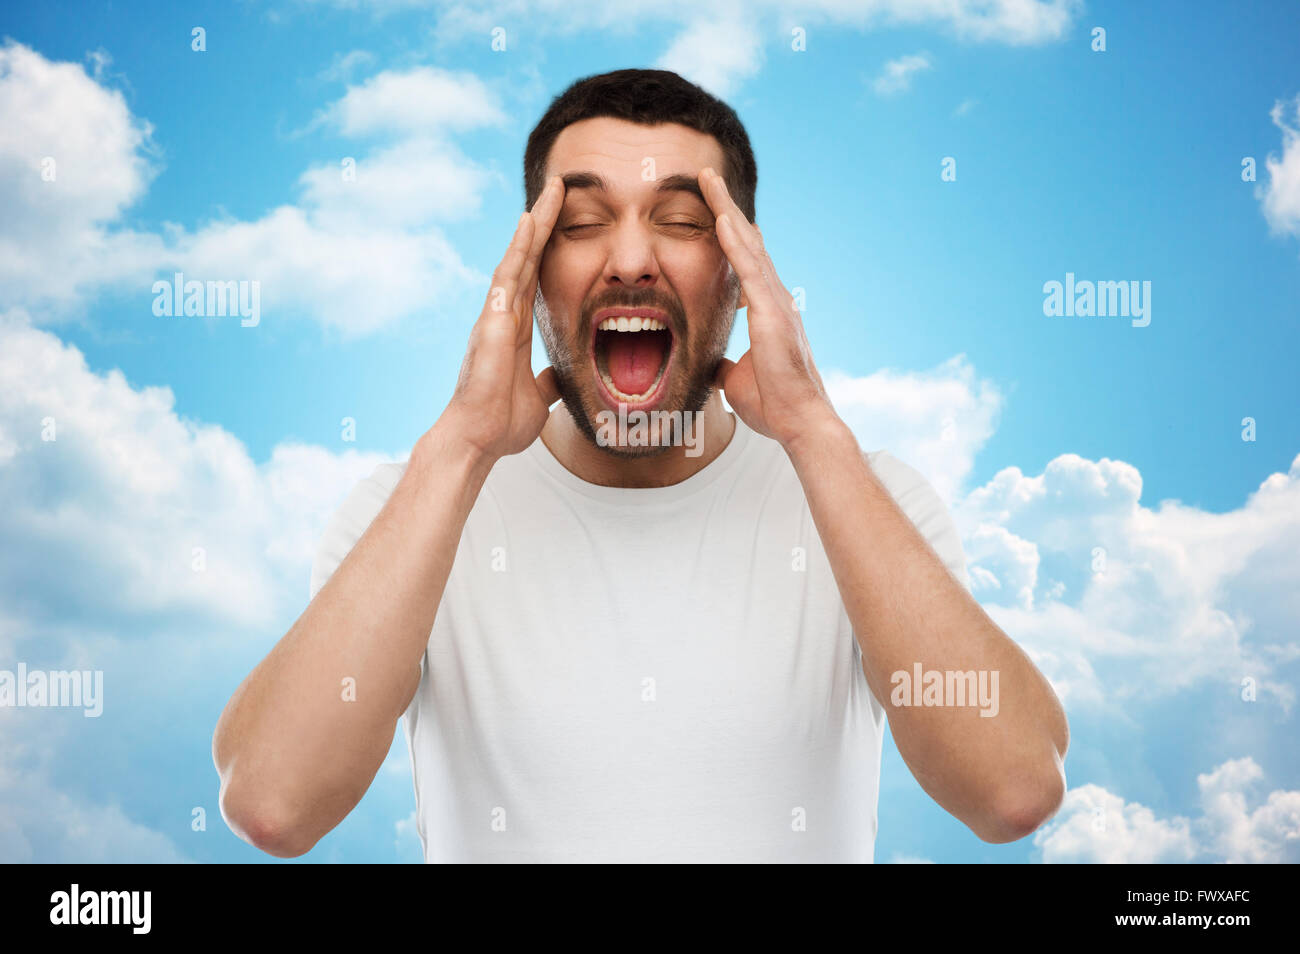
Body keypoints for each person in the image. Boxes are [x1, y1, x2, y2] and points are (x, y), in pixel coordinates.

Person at [212, 68, 1069, 863]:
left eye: (685, 222)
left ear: (741, 272)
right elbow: (276, 806)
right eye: (581, 224)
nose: (628, 259)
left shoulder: (865, 498)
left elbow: (1012, 791)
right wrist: (463, 445)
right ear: (533, 272)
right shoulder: (415, 509)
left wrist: (812, 431)